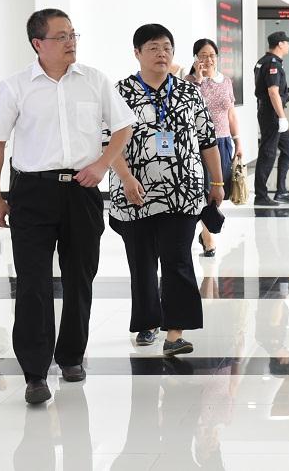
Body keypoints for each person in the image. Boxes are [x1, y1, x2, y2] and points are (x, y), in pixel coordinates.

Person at [0, 8, 135, 404]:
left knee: (79, 277)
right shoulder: (17, 86)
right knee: (32, 282)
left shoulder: (94, 80)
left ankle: (71, 356)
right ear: (38, 43)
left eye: (73, 34)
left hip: (81, 192)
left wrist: (102, 164)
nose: (71, 42)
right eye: (61, 36)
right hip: (32, 192)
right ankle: (35, 373)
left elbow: (123, 126)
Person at [108, 24, 223, 356]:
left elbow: (207, 140)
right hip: (135, 194)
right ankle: (147, 323)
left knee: (178, 260)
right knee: (142, 263)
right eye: (153, 48)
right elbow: (107, 142)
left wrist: (217, 182)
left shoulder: (188, 92)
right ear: (137, 53)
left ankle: (175, 332)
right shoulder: (120, 92)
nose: (162, 54)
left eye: (167, 48)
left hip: (182, 192)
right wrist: (126, 178)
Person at [187, 38, 243, 256]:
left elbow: (231, 114)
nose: (208, 59)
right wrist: (199, 80)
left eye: (211, 55)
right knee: (202, 190)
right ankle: (208, 235)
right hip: (199, 144)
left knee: (218, 190)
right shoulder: (189, 82)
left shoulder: (226, 81)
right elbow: (190, 108)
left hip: (222, 141)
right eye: (203, 55)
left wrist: (238, 141)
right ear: (195, 58)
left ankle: (206, 230)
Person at [254, 31, 289, 206]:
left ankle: (281, 191)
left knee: (288, 149)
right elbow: (273, 92)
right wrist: (282, 117)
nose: (288, 45)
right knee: (268, 153)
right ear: (280, 44)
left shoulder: (263, 61)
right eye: (286, 42)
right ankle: (261, 195)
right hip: (272, 113)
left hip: (270, 112)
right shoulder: (272, 64)